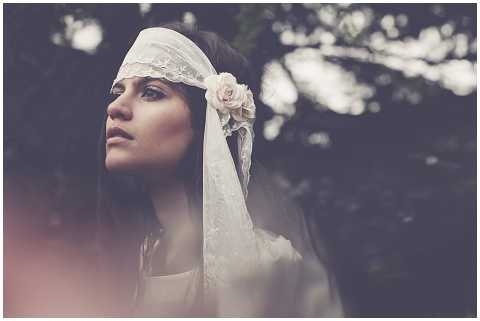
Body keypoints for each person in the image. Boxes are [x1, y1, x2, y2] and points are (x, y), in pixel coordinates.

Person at [95, 21, 343, 317]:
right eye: (117, 91)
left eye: (151, 92)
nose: (115, 108)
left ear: (206, 122)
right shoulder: (133, 259)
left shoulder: (272, 265)